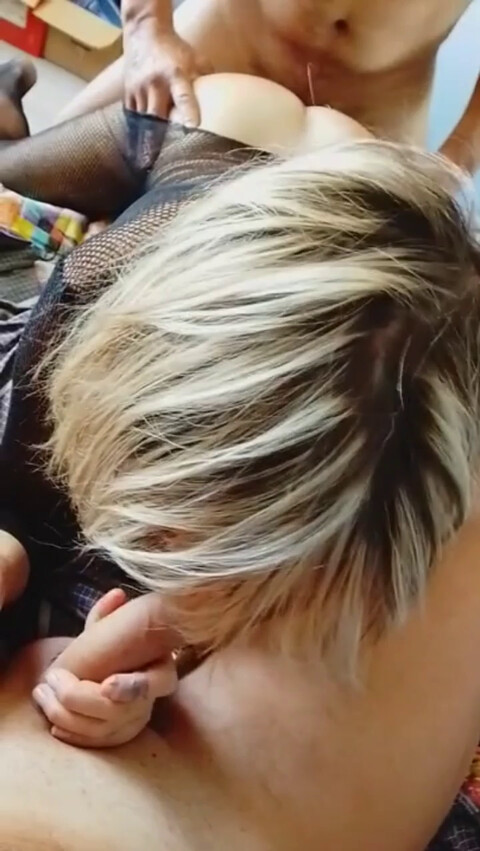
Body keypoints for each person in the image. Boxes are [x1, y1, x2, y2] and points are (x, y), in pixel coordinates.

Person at [61, 0, 480, 173]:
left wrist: (457, 161)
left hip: (377, 106)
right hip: (229, 40)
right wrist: (147, 28)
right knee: (36, 194)